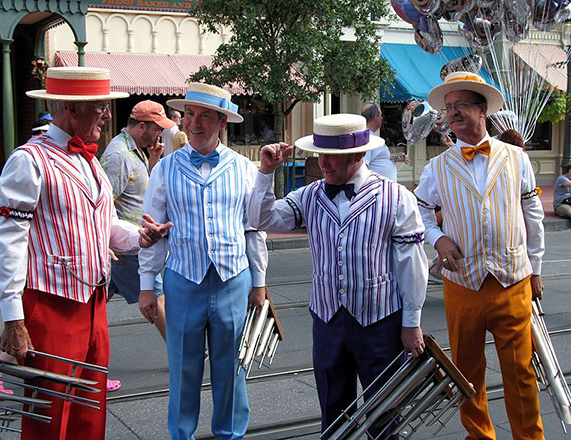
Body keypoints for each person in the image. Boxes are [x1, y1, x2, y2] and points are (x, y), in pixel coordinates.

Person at [0, 67, 172, 440]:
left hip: (93, 304)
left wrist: (140, 236)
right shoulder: (29, 160)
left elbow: (104, 224)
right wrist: (13, 317)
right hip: (50, 305)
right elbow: (7, 242)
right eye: (101, 107)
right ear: (73, 109)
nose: (107, 115)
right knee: (50, 415)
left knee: (90, 413)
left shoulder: (90, 161)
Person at [248, 113, 428, 437]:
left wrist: (411, 322)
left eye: (334, 156)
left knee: (385, 411)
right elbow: (262, 220)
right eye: (321, 154)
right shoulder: (310, 195)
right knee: (333, 410)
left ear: (359, 155)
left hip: (380, 322)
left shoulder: (396, 197)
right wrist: (265, 173)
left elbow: (411, 263)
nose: (324, 163)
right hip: (327, 320)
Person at [414, 71, 545, 440]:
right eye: (448, 108)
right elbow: (420, 211)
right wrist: (437, 239)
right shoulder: (436, 167)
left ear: (482, 109)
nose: (451, 113)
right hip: (463, 284)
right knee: (467, 372)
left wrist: (536, 269)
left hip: (512, 280)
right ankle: (480, 436)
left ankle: (529, 437)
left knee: (520, 372)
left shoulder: (516, 157)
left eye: (460, 106)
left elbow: (533, 216)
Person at [138, 82, 268, 439]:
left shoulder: (244, 168)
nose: (194, 124)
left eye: (205, 117)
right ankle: (182, 435)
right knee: (184, 368)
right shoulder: (165, 169)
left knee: (232, 369)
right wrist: (147, 286)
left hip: (232, 279)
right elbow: (152, 231)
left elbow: (254, 230)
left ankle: (230, 434)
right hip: (184, 280)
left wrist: (259, 283)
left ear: (222, 122)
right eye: (190, 115)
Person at [100, 99, 172, 392]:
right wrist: (104, 242)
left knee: (91, 308)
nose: (160, 135)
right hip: (127, 249)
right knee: (157, 300)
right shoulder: (118, 156)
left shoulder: (137, 151)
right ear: (142, 126)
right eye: (157, 129)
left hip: (131, 245)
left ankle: (12, 351)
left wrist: (152, 162)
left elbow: (136, 193)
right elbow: (103, 202)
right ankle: (183, 354)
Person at [361, 102, 398, 181]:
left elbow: (378, 158)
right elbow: (363, 166)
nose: (382, 118)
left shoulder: (371, 136)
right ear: (375, 117)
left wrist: (396, 158)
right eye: (380, 115)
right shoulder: (367, 138)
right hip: (377, 190)